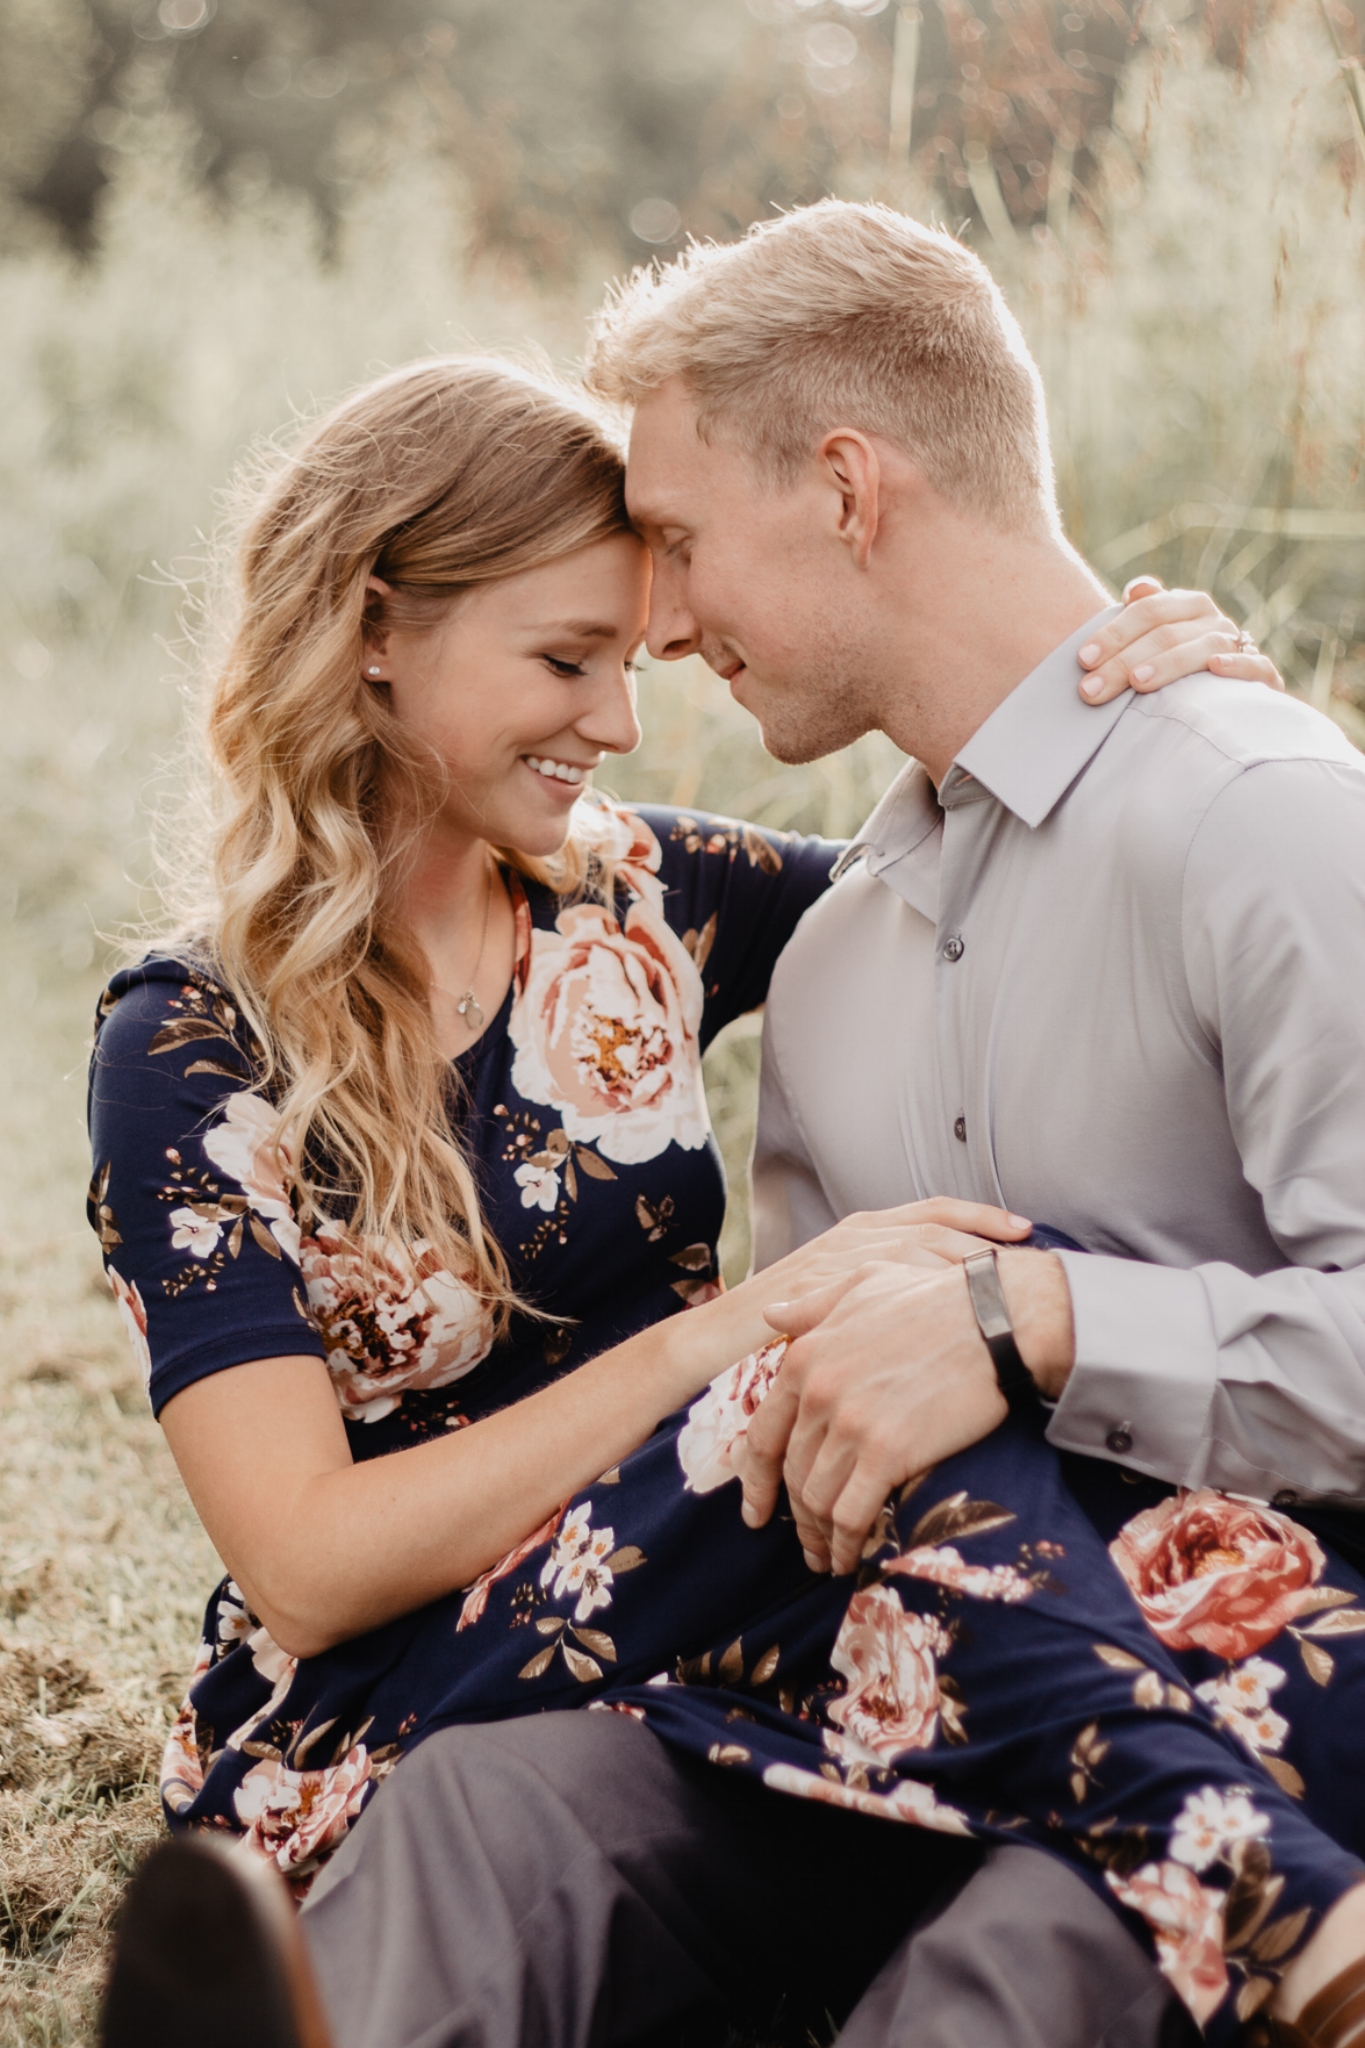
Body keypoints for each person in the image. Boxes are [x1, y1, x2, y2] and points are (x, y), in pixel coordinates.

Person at [89, 349, 1307, 2048]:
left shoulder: (645, 900)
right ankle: (1273, 1892)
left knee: (986, 1408)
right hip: (406, 1673)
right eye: (563, 660)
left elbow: (997, 866)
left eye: (631, 656)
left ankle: (1247, 1866)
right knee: (849, 1349)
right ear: (377, 626)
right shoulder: (190, 1048)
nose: (619, 719)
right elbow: (302, 1564)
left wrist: (1156, 705)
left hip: (704, 1624)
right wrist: (733, 1337)